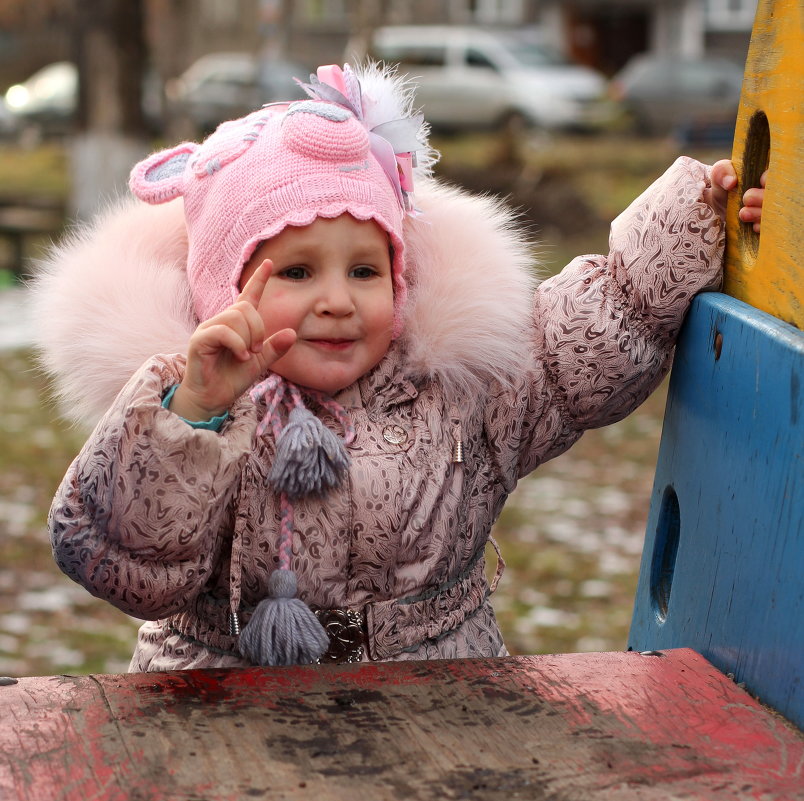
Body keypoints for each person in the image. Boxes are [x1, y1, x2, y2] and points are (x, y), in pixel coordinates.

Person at [32, 63, 764, 671]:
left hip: (438, 696)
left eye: (363, 269)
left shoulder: (457, 390)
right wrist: (193, 413)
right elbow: (116, 556)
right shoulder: (183, 403)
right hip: (218, 705)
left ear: (400, 277)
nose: (337, 301)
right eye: (295, 271)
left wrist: (699, 214)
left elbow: (601, 323)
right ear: (222, 288)